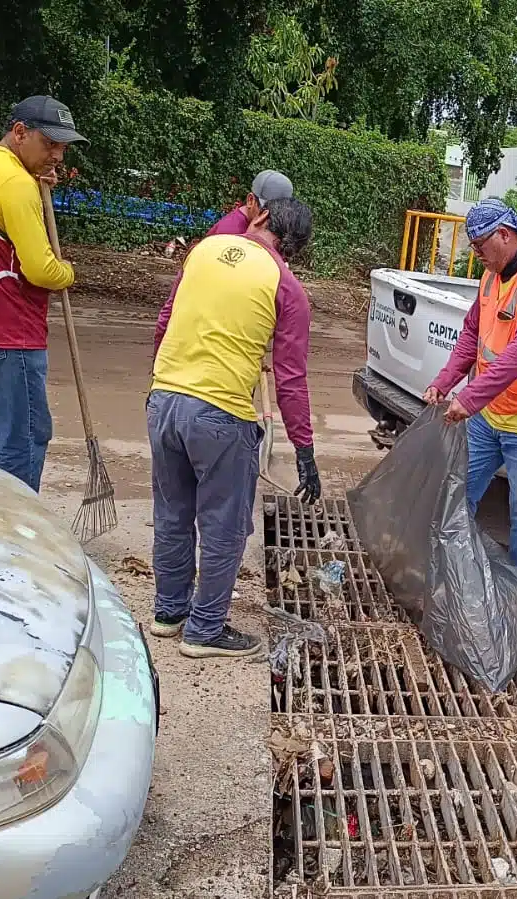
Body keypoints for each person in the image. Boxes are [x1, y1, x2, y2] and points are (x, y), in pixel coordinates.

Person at [147, 197, 319, 659]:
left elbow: (164, 322)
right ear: (294, 248)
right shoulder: (286, 287)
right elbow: (291, 380)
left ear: (259, 218)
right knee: (224, 527)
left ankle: (169, 613)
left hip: (164, 401)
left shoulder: (205, 249)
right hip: (220, 415)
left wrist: (167, 383)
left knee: (173, 513)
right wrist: (305, 452)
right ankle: (205, 630)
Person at [423, 199, 517, 584]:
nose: (476, 256)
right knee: (459, 493)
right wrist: (444, 382)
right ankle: (453, 572)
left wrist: (468, 399)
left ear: (504, 236)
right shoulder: (492, 274)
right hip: (490, 415)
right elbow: (472, 332)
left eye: (479, 247)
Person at [0, 95, 86, 492]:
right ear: (19, 132)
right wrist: (68, 273)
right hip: (10, 329)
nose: (58, 154)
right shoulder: (15, 183)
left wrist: (37, 184)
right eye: (50, 143)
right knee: (25, 436)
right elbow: (41, 270)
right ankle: (10, 534)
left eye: (63, 146)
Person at [153, 169, 294, 351]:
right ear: (250, 200)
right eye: (266, 210)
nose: (269, 218)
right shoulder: (228, 233)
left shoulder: (269, 232)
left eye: (277, 212)